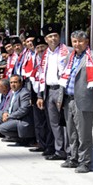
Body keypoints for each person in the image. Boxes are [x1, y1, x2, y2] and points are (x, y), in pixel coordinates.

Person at [59, 30, 93, 173]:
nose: (77, 44)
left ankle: (85, 162)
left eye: (80, 41)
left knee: (84, 134)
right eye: (74, 41)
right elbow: (65, 76)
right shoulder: (70, 56)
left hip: (84, 100)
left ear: (86, 42)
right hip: (69, 99)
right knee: (71, 133)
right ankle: (73, 158)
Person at [36, 23, 72, 161]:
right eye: (49, 36)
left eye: (55, 35)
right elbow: (41, 74)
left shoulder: (67, 52)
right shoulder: (44, 54)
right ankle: (59, 150)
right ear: (45, 39)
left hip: (62, 90)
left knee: (65, 122)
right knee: (54, 123)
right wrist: (40, 95)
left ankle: (69, 151)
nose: (53, 39)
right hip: (49, 91)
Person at [0, 74, 34, 144]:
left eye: (15, 82)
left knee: (2, 128)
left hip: (20, 119)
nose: (13, 84)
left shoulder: (24, 93)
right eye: (11, 82)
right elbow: (7, 106)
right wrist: (5, 113)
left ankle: (22, 138)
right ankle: (10, 136)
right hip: (12, 117)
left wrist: (9, 116)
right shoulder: (12, 93)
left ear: (20, 83)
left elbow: (23, 110)